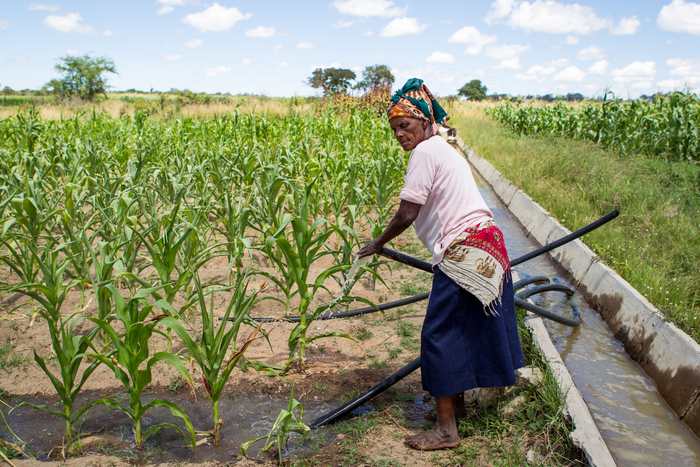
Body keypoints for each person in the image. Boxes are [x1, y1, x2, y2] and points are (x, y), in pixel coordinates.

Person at [357, 78, 525, 451]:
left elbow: (407, 212)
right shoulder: (446, 150)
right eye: (394, 129)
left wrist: (377, 243)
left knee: (438, 336)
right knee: (461, 331)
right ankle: (457, 409)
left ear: (424, 121)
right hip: (488, 247)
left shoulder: (425, 152)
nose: (400, 134)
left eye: (405, 125)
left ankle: (447, 430)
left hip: (464, 251)